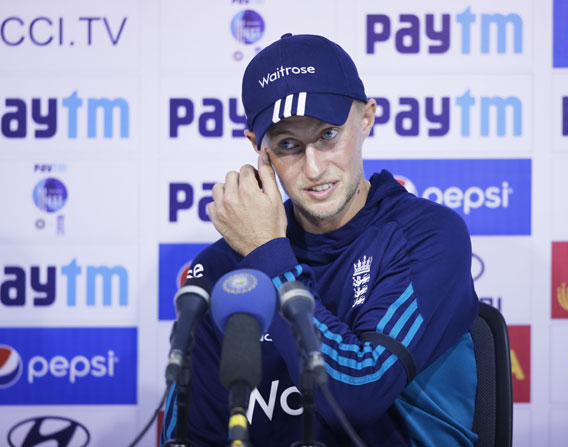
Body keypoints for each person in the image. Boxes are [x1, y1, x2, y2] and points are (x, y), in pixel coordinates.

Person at [161, 33, 479, 447]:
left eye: (328, 135)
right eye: (288, 145)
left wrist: (265, 254)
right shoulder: (221, 271)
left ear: (366, 119)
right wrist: (262, 254)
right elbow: (189, 438)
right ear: (259, 150)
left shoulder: (426, 236)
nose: (314, 168)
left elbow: (355, 393)